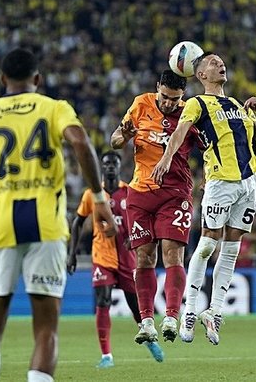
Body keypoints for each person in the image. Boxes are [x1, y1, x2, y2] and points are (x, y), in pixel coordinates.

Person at [0, 48, 116, 382]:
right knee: (46, 328)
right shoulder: (54, 108)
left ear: (2, 79)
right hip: (46, 225)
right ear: (37, 78)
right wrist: (98, 197)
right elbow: (80, 142)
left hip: (0, 226)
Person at [151, 52, 256, 345]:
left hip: (249, 183)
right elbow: (180, 131)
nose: (220, 65)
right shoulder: (197, 103)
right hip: (220, 182)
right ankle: (190, 310)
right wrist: (166, 159)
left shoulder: (238, 105)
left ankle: (214, 312)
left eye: (221, 62)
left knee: (231, 249)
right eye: (213, 63)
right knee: (207, 244)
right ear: (201, 74)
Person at [110, 69, 200, 345]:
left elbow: (209, 149)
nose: (169, 103)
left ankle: (171, 316)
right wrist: (124, 136)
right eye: (165, 96)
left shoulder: (191, 113)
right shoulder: (141, 103)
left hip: (175, 193)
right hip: (139, 193)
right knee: (144, 258)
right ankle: (147, 322)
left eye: (175, 98)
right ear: (157, 86)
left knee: (173, 255)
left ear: (183, 95)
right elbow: (115, 140)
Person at [67, 151, 164, 368]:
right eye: (106, 163)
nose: (110, 166)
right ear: (102, 167)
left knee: (135, 305)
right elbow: (77, 222)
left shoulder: (129, 192)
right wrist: (72, 254)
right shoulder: (92, 194)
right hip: (102, 256)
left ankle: (148, 337)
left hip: (127, 258)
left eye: (114, 163)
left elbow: (144, 218)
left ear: (119, 167)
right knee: (103, 301)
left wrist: (135, 236)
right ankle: (106, 356)